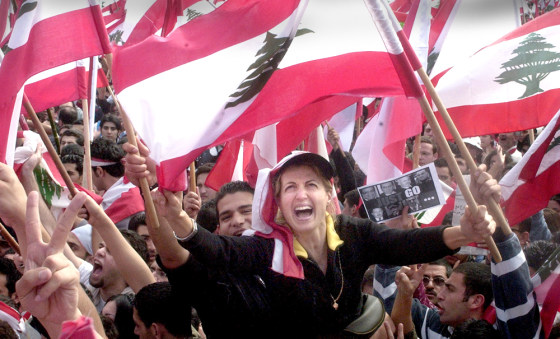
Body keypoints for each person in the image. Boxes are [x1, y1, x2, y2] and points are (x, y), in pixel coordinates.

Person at [124, 144, 496, 337]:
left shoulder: (354, 232)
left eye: (311, 184)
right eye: (291, 187)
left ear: (328, 196)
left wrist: (465, 232)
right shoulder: (267, 248)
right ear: (279, 204)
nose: (302, 194)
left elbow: (405, 244)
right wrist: (176, 215)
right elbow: (214, 249)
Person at [90, 138, 145, 229]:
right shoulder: (118, 192)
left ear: (99, 171)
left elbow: (94, 230)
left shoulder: (127, 198)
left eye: (89, 171)